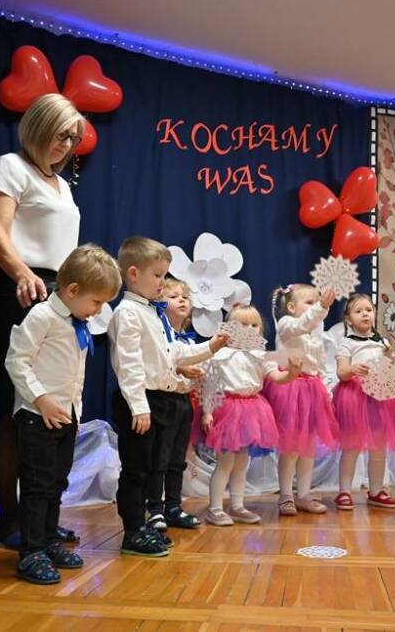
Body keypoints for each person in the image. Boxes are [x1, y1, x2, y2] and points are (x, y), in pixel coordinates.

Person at [0, 93, 86, 549]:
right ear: (39, 128)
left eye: (72, 138)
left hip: (61, 294)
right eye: (61, 135)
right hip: (20, 287)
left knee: (56, 403)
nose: (66, 145)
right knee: (17, 406)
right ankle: (9, 522)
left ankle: (40, 518)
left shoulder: (62, 185)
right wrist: (23, 274)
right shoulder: (10, 166)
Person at [4, 244, 121, 584]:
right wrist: (41, 399)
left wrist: (73, 412)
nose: (99, 310)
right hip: (37, 416)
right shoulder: (42, 317)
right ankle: (31, 552)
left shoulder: (76, 321)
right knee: (37, 485)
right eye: (96, 302)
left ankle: (47, 541)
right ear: (72, 290)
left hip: (65, 417)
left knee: (56, 483)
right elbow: (16, 361)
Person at [108, 236, 229, 556]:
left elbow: (173, 352)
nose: (163, 282)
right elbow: (129, 365)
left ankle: (145, 524)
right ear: (134, 274)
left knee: (153, 466)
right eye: (158, 275)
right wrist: (138, 406)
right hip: (141, 401)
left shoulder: (153, 313)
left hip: (159, 400)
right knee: (136, 469)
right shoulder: (128, 313)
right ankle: (133, 530)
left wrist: (210, 347)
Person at [201, 305, 294, 526]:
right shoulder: (219, 355)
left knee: (242, 462)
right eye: (244, 325)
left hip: (252, 409)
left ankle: (237, 506)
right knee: (225, 462)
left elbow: (276, 377)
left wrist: (293, 373)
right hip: (227, 409)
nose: (250, 329)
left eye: (254, 325)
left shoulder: (261, 355)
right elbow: (210, 385)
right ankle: (215, 508)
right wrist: (207, 412)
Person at [332, 294, 395, 511]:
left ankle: (376, 490)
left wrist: (391, 359)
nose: (365, 314)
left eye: (368, 310)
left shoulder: (382, 342)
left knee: (379, 448)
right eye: (358, 311)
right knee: (351, 447)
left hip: (381, 399)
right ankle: (344, 491)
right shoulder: (347, 343)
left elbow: (391, 368)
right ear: (348, 319)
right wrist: (352, 369)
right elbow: (341, 372)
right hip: (355, 399)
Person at [263, 283, 339, 515]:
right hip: (291, 389)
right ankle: (286, 494)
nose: (315, 306)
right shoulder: (286, 324)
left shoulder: (316, 329)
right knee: (291, 447)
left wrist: (326, 389)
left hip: (312, 389)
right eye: (309, 302)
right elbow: (302, 324)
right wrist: (322, 306)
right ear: (291, 307)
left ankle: (304, 494)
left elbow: (320, 362)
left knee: (308, 447)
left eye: (316, 301)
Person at [145, 277, 204, 543]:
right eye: (173, 296)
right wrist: (180, 368)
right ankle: (155, 508)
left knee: (177, 459)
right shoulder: (158, 333)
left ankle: (173, 506)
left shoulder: (190, 340)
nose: (181, 300)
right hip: (163, 400)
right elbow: (159, 360)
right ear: (159, 303)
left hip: (183, 402)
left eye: (185, 296)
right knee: (160, 457)